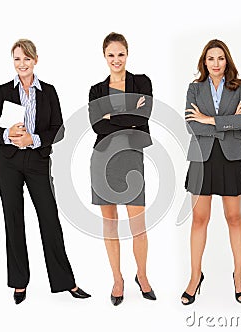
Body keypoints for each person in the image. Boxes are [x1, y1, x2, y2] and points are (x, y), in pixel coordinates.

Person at [0, 39, 90, 304]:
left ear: (35, 60)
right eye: (17, 59)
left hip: (38, 162)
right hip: (8, 163)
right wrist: (6, 134)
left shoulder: (48, 92)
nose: (22, 64)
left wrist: (35, 139)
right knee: (13, 219)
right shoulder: (4, 90)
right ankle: (19, 283)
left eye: (26, 59)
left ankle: (67, 282)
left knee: (49, 219)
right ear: (13, 62)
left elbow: (59, 130)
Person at [183, 39, 241, 305]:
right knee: (199, 219)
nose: (215, 63)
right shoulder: (194, 88)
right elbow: (191, 125)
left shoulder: (240, 87)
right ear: (204, 62)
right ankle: (194, 276)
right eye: (211, 59)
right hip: (201, 159)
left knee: (234, 217)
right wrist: (227, 122)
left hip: (230, 158)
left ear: (227, 61)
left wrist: (209, 119)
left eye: (220, 58)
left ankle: (238, 276)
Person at [88, 32, 156, 306]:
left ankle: (142, 274)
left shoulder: (142, 82)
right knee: (110, 224)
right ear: (104, 57)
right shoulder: (96, 90)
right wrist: (128, 118)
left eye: (120, 54)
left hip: (131, 158)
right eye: (111, 55)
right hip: (103, 159)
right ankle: (118, 279)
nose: (116, 59)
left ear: (127, 54)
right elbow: (96, 125)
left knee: (137, 225)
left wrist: (111, 117)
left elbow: (144, 116)